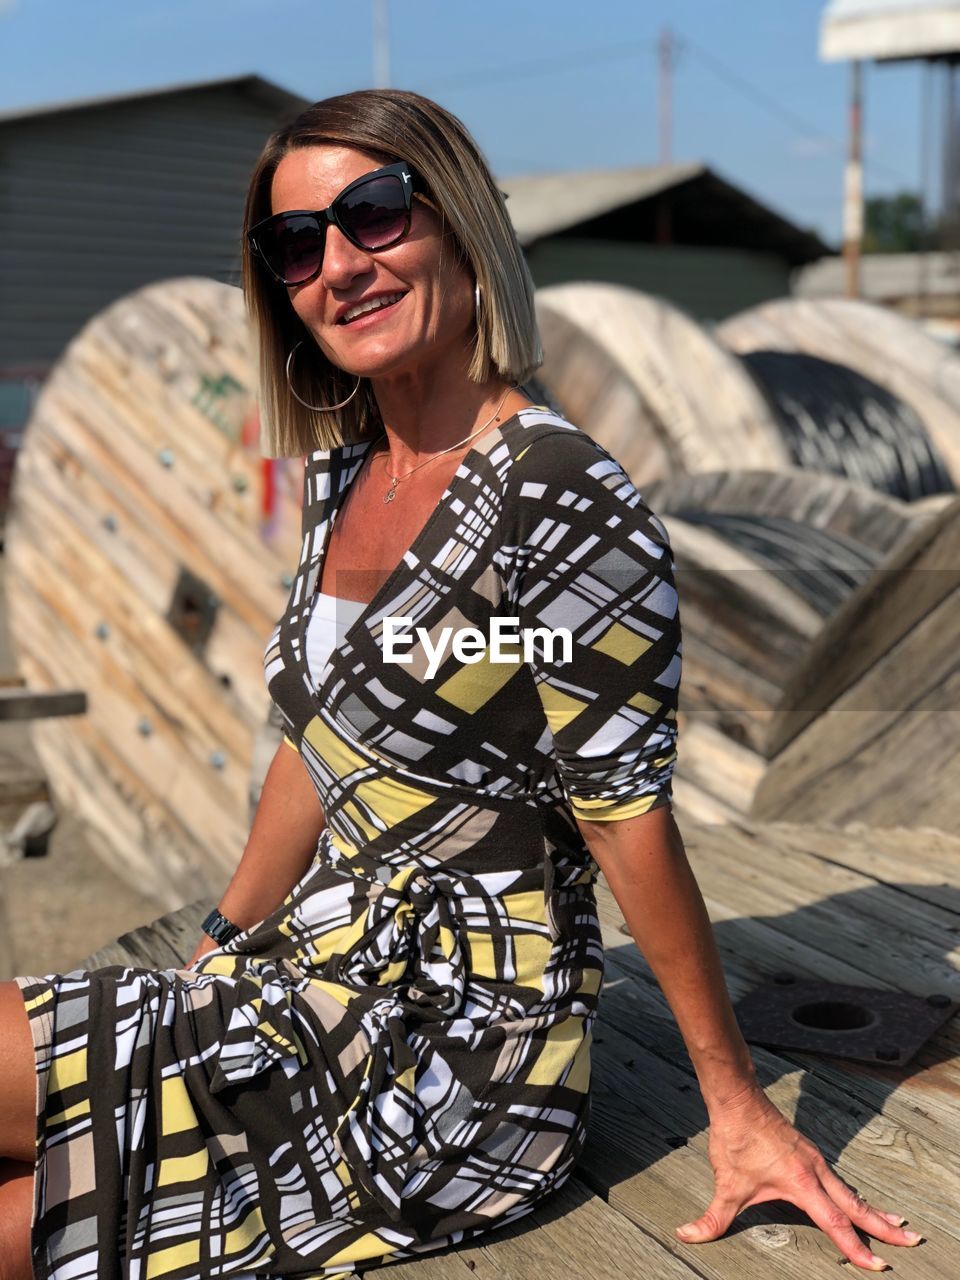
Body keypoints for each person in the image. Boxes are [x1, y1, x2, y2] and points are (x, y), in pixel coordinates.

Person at [0, 88, 922, 1280]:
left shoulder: (556, 496)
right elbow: (314, 742)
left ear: (460, 221)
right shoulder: (350, 477)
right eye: (296, 244)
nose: (339, 263)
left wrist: (738, 1105)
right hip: (306, 984)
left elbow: (623, 808)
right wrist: (223, 937)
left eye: (374, 214)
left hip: (456, 1059)